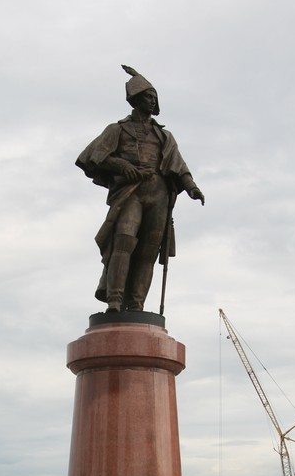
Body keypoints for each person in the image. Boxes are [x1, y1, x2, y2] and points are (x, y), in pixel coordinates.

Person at [76, 65, 205, 313]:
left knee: (148, 250)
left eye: (154, 97)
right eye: (148, 96)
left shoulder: (164, 136)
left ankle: (136, 304)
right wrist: (122, 165)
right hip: (131, 193)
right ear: (135, 99)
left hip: (158, 194)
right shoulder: (117, 130)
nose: (152, 101)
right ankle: (115, 300)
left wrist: (191, 187)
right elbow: (92, 156)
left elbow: (178, 165)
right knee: (124, 240)